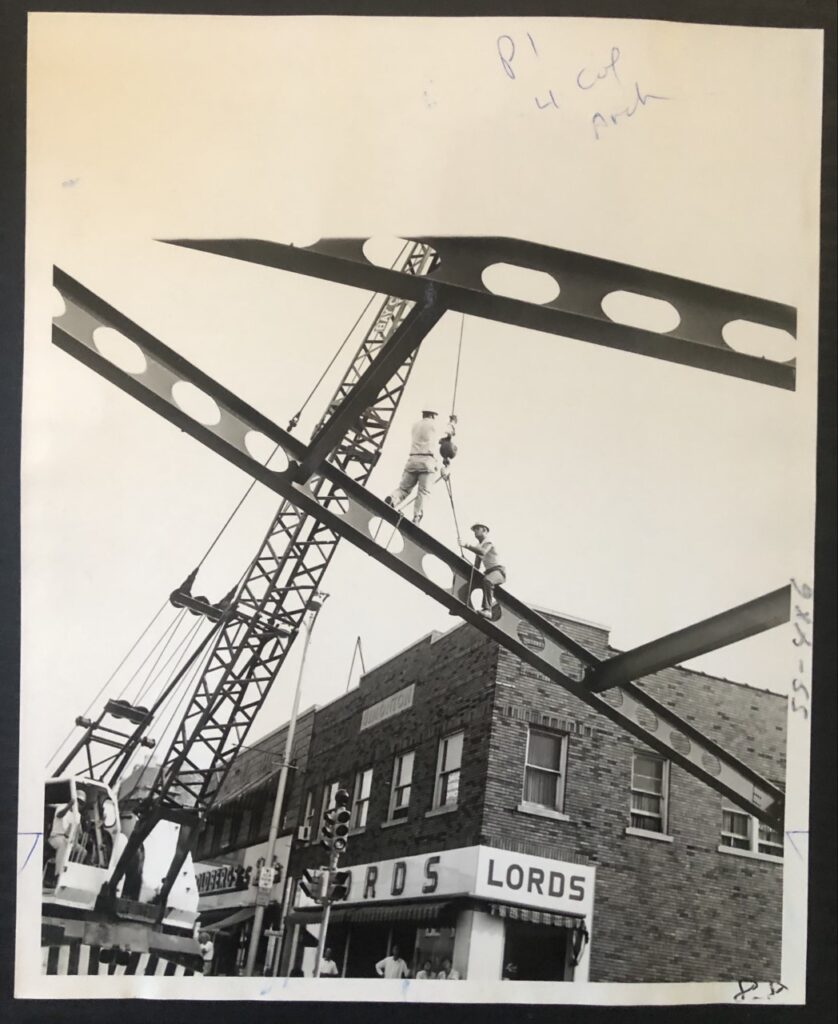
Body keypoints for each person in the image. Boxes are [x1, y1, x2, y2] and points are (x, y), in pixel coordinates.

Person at [385, 410, 457, 525]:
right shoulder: (434, 424)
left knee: (403, 489)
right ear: (433, 415)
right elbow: (450, 430)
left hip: (412, 460)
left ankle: (392, 500)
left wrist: (441, 440)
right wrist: (453, 422)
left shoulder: (415, 426)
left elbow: (427, 438)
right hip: (427, 463)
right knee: (423, 492)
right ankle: (417, 517)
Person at [462, 523, 506, 617]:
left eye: (477, 529)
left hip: (499, 572)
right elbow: (476, 566)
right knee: (473, 579)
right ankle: (460, 603)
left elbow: (483, 552)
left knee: (488, 581)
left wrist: (467, 545)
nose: (475, 532)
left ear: (484, 530)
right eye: (474, 530)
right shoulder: (478, 545)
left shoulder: (489, 541)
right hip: (489, 572)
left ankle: (487, 610)